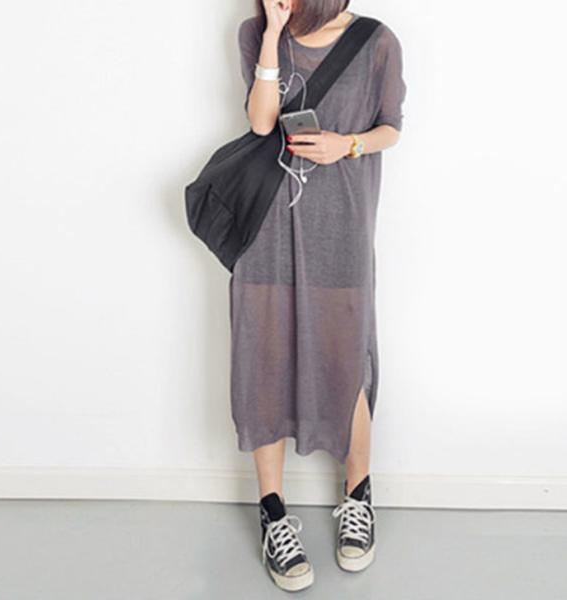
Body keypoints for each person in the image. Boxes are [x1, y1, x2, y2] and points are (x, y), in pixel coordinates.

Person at [229, 0, 406, 591]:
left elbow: (391, 126)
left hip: (341, 227)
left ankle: (358, 495)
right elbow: (261, 123)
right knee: (264, 354)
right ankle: (273, 512)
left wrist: (346, 145)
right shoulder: (257, 33)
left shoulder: (377, 40)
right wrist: (274, 34)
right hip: (265, 229)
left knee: (344, 354)